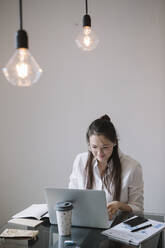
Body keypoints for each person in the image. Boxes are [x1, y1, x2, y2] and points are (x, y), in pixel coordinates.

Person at [69, 115, 144, 219]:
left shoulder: (132, 167)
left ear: (114, 143)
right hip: (85, 222)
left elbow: (138, 209)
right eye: (94, 147)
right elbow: (71, 197)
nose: (100, 153)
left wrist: (120, 205)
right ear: (89, 145)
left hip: (116, 227)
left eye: (105, 147)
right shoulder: (80, 160)